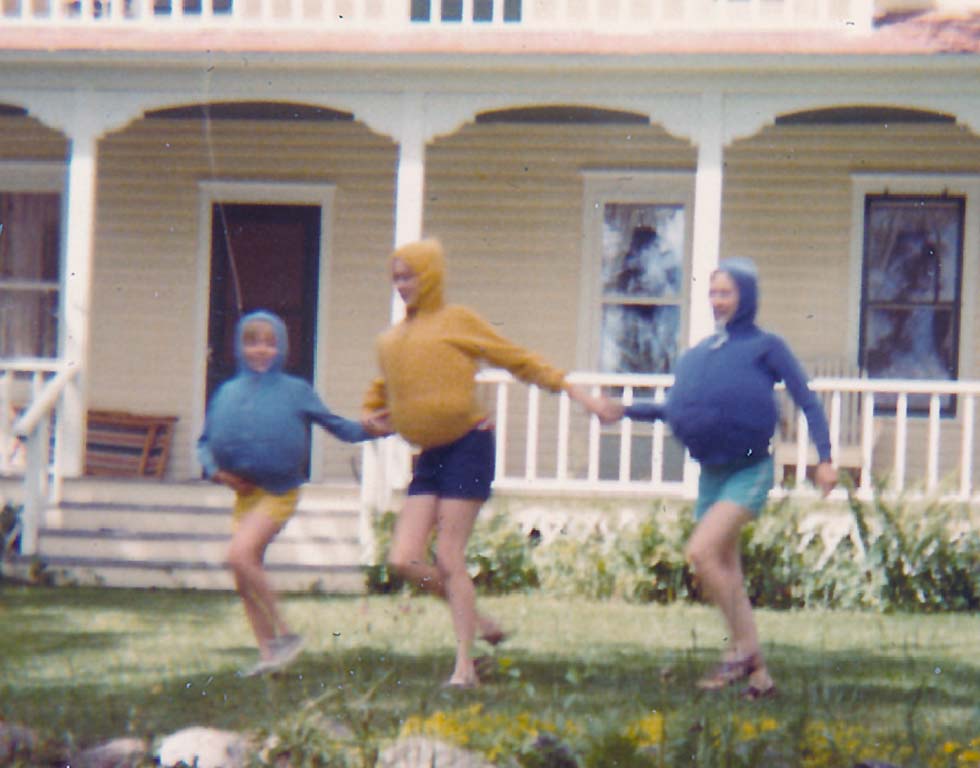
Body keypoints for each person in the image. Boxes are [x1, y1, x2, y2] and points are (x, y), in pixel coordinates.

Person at [361, 239, 611, 689]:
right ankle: (478, 617)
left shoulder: (458, 322)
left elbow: (519, 360)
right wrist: (370, 417)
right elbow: (380, 393)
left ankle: (464, 666)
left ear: (431, 275)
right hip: (430, 456)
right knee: (402, 558)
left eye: (409, 276)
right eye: (396, 277)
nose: (402, 285)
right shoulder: (392, 341)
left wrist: (581, 395)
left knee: (448, 554)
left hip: (469, 445)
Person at [606, 257, 837, 700]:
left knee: (702, 552)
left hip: (749, 469)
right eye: (712, 293)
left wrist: (824, 458)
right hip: (712, 473)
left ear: (746, 296)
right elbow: (674, 410)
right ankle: (760, 679)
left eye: (726, 292)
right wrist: (625, 409)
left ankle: (744, 650)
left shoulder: (767, 347)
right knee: (726, 569)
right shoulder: (702, 354)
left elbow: (807, 401)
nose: (717, 301)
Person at [198, 310, 385, 677]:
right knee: (243, 575)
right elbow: (204, 443)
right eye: (252, 342)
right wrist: (217, 473)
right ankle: (270, 656)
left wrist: (372, 429)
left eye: (270, 342)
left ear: (282, 346)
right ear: (239, 346)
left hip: (280, 491)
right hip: (245, 494)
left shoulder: (295, 391)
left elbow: (339, 427)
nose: (261, 350)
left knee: (239, 555)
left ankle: (286, 633)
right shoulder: (226, 393)